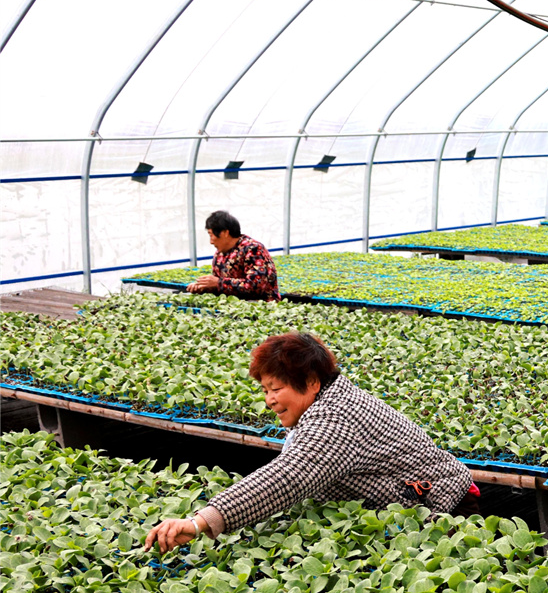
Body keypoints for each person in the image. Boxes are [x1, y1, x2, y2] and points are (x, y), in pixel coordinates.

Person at [145, 333, 480, 554]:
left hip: (445, 507)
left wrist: (200, 521)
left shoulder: (336, 418)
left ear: (311, 382)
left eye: (276, 388)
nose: (270, 400)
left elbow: (289, 477)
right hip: (401, 502)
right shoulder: (327, 402)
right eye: (265, 390)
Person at [186, 211, 280, 302]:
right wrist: (204, 287)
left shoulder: (253, 249)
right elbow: (219, 287)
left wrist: (219, 283)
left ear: (225, 233)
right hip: (230, 307)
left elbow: (255, 287)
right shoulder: (220, 253)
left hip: (260, 307)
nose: (211, 241)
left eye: (211, 235)